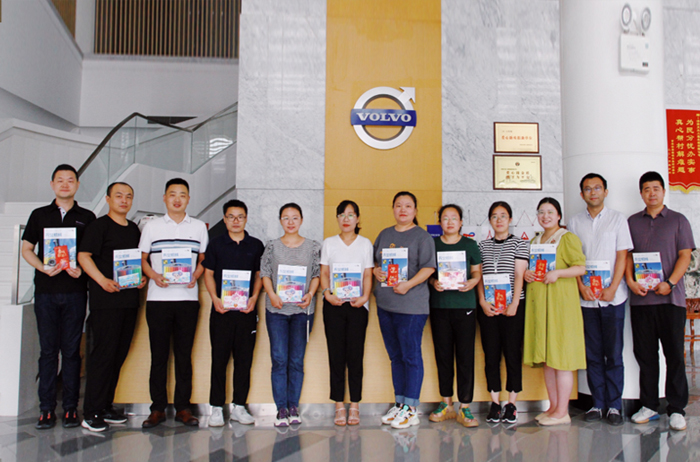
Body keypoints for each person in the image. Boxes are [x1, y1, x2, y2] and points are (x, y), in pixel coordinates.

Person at [21, 164, 96, 430]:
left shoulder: (87, 217)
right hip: (46, 292)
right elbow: (27, 249)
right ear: (52, 184)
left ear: (77, 185)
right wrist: (42, 267)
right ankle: (46, 409)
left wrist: (81, 270)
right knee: (48, 352)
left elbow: (90, 254)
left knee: (72, 352)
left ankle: (70, 408)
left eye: (70, 180)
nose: (65, 184)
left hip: (76, 292)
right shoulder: (39, 215)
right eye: (60, 180)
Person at [626, 171, 695, 432]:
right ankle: (649, 405)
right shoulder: (632, 222)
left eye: (656, 188)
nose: (651, 193)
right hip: (641, 301)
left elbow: (685, 255)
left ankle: (676, 409)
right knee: (645, 356)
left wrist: (671, 283)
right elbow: (627, 256)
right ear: (641, 193)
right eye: (646, 189)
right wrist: (631, 282)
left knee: (674, 354)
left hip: (671, 300)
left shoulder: (678, 220)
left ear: (664, 191)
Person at [139, 178, 209, 428]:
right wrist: (154, 275)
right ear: (165, 198)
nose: (177, 199)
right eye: (172, 194)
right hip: (158, 300)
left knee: (183, 356)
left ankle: (183, 408)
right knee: (158, 356)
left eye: (182, 195)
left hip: (187, 300)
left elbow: (204, 259)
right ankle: (157, 408)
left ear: (188, 199)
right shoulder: (152, 227)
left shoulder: (198, 227)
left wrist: (196, 275)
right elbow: (142, 259)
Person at [78, 182, 146, 432]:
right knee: (103, 356)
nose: (124, 200)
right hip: (105, 302)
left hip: (129, 301)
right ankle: (91, 412)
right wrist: (102, 280)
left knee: (118, 355)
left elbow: (137, 261)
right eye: (118, 196)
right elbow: (83, 256)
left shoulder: (133, 229)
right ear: (108, 199)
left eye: (128, 196)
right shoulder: (99, 226)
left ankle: (105, 406)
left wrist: (141, 278)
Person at [567, 173, 633, 426]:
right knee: (593, 354)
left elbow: (622, 256)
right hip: (586, 299)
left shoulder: (618, 219)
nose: (592, 192)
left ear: (605, 191)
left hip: (613, 298)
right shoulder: (574, 223)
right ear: (581, 194)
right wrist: (581, 287)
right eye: (588, 188)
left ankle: (614, 406)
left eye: (597, 188)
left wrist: (613, 287)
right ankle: (597, 403)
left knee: (614, 354)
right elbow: (573, 259)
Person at [374, 191, 436, 429]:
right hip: (385, 305)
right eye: (398, 205)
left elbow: (428, 268)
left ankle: (411, 408)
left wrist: (408, 284)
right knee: (395, 356)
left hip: (411, 307)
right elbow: (376, 263)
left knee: (411, 356)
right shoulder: (384, 234)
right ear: (393, 209)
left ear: (415, 211)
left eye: (408, 206)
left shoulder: (422, 237)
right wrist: (375, 271)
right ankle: (400, 403)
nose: (403, 209)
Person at [523, 197, 586, 426]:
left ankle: (562, 412)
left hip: (561, 305)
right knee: (548, 359)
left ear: (559, 215)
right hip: (540, 304)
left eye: (550, 212)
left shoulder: (567, 238)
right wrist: (527, 274)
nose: (545, 216)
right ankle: (552, 407)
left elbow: (580, 267)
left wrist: (558, 273)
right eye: (541, 212)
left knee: (561, 357)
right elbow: (531, 267)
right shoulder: (535, 241)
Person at [202, 200, 264, 427]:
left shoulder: (256, 245)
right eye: (231, 216)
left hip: (246, 312)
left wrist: (254, 298)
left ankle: (239, 406)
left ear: (246, 218)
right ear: (224, 219)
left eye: (240, 217)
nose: (236, 221)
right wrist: (215, 298)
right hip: (222, 311)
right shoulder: (216, 244)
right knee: (219, 360)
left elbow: (259, 275)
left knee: (244, 361)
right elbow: (208, 274)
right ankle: (217, 408)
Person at [260, 203, 321, 428]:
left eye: (295, 217)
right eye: (286, 218)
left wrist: (310, 294)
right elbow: (265, 273)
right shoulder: (272, 246)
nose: (290, 222)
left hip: (302, 311)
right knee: (279, 359)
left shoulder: (313, 247)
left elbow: (316, 274)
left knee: (296, 360)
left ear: (301, 220)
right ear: (280, 221)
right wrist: (272, 294)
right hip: (276, 310)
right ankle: (281, 409)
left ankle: (293, 406)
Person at [320, 200, 373, 426]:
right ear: (337, 218)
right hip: (333, 304)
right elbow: (324, 272)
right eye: (342, 214)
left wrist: (365, 297)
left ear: (358, 218)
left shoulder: (365, 243)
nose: (346, 219)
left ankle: (355, 405)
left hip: (358, 306)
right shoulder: (329, 243)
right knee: (336, 355)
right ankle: (339, 405)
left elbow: (368, 274)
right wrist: (327, 293)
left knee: (355, 356)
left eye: (351, 214)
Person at [428, 204, 482, 427]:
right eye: (445, 218)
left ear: (461, 222)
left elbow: (477, 271)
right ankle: (446, 403)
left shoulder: (470, 244)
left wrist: (473, 281)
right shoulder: (432, 244)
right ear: (439, 222)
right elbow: (427, 273)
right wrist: (434, 282)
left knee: (465, 357)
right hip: (440, 306)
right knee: (443, 356)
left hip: (465, 306)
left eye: (454, 218)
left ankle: (465, 406)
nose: (449, 222)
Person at [476, 201, 529, 425]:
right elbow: (478, 276)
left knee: (512, 354)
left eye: (503, 216)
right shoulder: (482, 246)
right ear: (490, 220)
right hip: (489, 308)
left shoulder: (520, 244)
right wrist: (482, 301)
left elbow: (519, 275)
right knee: (491, 355)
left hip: (512, 307)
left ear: (510, 219)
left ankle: (512, 404)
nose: (499, 220)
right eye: (495, 216)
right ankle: (495, 403)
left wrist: (514, 303)